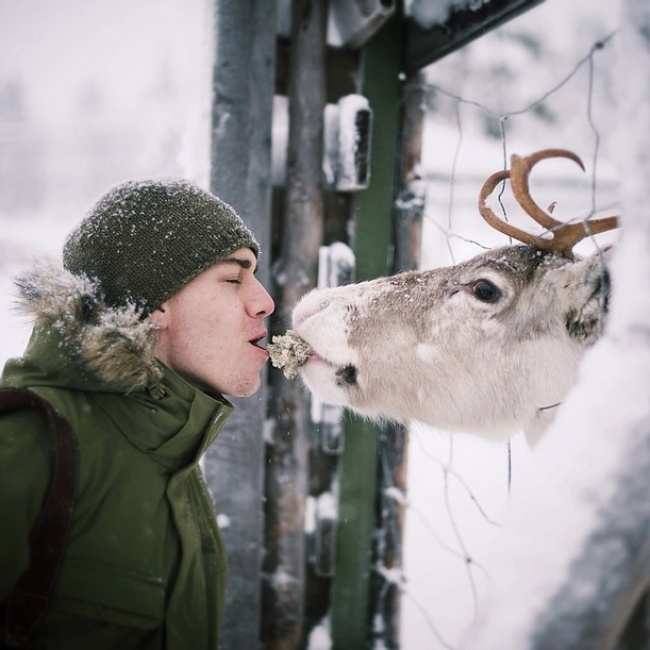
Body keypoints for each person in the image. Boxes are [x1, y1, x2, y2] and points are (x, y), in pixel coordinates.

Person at [0, 180, 274, 649]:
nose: (264, 301)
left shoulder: (169, 452)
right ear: (154, 305)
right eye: (233, 278)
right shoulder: (29, 443)